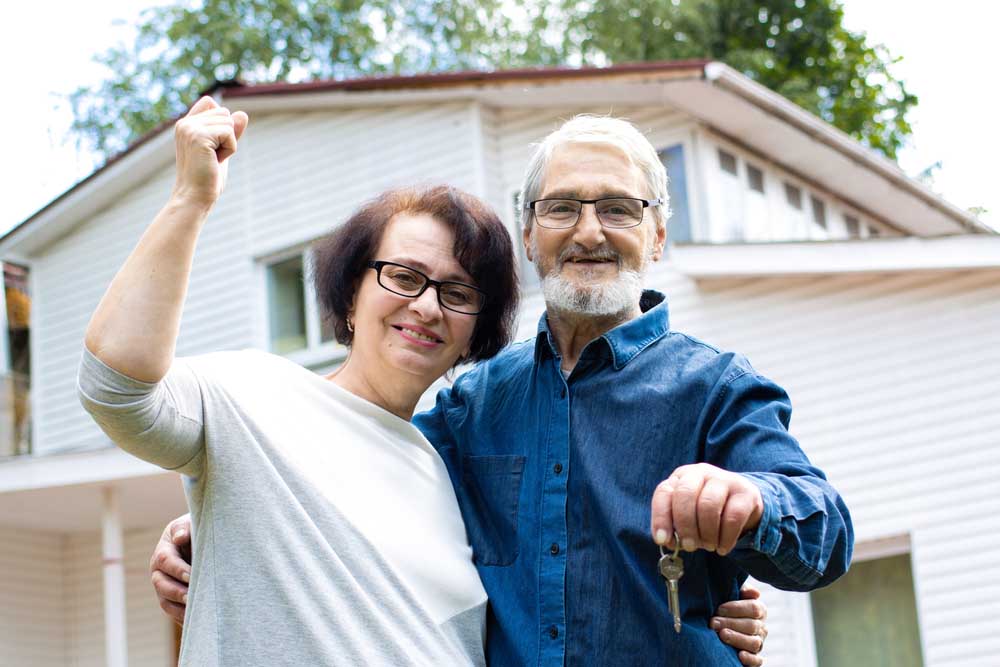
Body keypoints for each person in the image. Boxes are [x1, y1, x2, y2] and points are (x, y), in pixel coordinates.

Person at [84, 99, 770, 665]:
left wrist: (711, 610)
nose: (426, 306)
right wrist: (189, 200)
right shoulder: (248, 394)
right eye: (404, 277)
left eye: (457, 291)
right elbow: (117, 386)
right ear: (349, 289)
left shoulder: (447, 457)